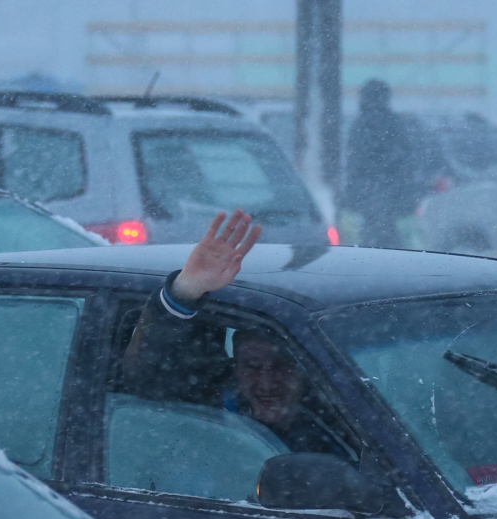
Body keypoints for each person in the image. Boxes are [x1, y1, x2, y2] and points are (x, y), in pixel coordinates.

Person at [121, 210, 344, 455]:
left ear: (304, 370)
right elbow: (145, 377)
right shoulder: (204, 409)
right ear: (234, 367)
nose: (267, 382)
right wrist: (184, 292)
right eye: (253, 366)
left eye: (281, 366)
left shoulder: (339, 416)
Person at [344, 79, 418, 248]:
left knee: (369, 240)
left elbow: (354, 164)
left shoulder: (360, 124)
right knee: (392, 239)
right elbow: (406, 161)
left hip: (368, 194)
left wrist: (353, 194)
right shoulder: (396, 123)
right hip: (392, 194)